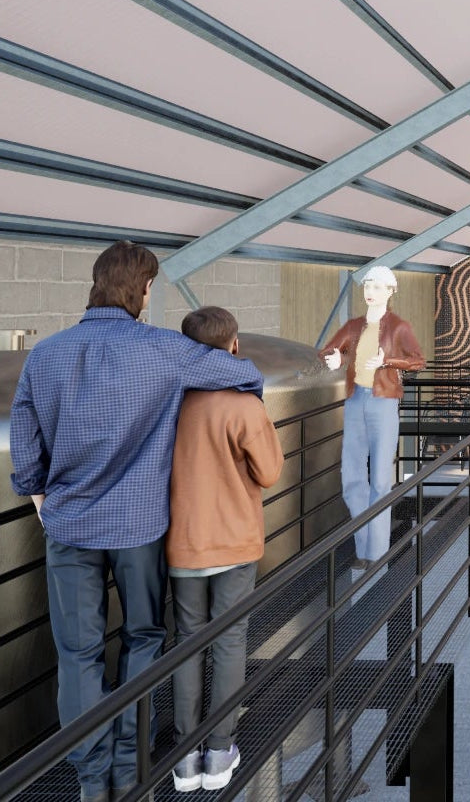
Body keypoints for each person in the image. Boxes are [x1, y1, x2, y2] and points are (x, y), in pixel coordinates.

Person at [8, 242, 263, 802]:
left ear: (95, 284)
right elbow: (242, 374)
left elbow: (23, 439)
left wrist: (36, 493)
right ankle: (132, 769)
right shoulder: (165, 351)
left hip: (69, 528)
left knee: (77, 656)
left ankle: (90, 779)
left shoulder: (46, 355)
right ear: (144, 290)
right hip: (139, 529)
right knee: (142, 640)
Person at [167, 307, 284, 793]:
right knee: (230, 639)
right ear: (234, 345)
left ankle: (185, 757)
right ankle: (220, 750)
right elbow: (270, 472)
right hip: (234, 542)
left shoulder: (170, 400)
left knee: (187, 643)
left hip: (182, 543)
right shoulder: (244, 405)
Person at [320, 266, 425, 570]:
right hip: (355, 400)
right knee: (352, 477)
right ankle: (364, 547)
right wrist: (338, 358)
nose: (371, 291)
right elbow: (327, 350)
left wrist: (388, 361)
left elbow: (418, 360)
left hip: (383, 402)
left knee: (380, 479)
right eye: (368, 285)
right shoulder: (354, 326)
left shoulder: (398, 326)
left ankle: (376, 553)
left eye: (378, 287)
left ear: (391, 291)